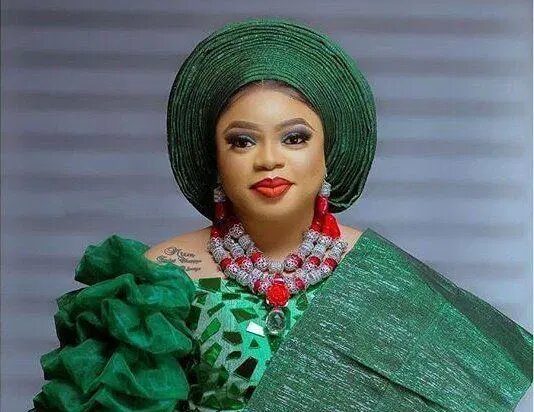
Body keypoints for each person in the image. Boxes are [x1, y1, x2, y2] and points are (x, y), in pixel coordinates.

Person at [31, 18, 532, 412]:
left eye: (294, 138)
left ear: (327, 154)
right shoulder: (161, 277)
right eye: (242, 141)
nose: (268, 159)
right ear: (215, 160)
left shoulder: (381, 276)